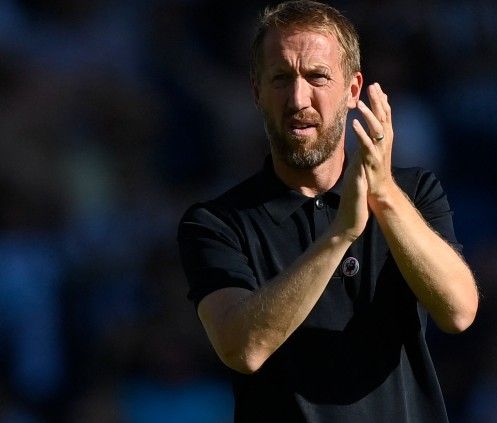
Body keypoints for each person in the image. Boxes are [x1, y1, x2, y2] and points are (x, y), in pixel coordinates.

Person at [177, 1, 479, 421]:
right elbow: (243, 348)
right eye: (281, 78)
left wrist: (384, 195)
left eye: (317, 76)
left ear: (353, 90)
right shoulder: (216, 223)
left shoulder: (414, 193)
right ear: (256, 91)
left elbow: (459, 310)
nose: (299, 98)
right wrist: (340, 234)